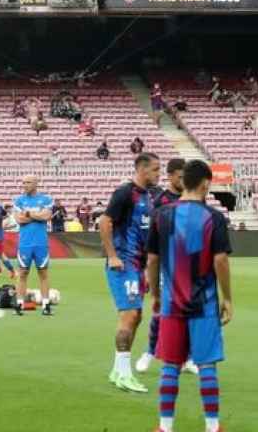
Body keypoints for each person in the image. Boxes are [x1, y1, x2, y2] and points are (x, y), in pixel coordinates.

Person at [144, 159, 233, 432]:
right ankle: (212, 426)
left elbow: (152, 260)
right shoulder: (213, 217)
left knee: (170, 365)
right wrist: (227, 298)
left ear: (183, 181)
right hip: (203, 304)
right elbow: (220, 260)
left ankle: (165, 427)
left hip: (172, 302)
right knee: (206, 365)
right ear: (206, 183)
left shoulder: (162, 215)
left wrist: (157, 294)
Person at [99, 152, 161, 393]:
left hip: (138, 266)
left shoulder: (151, 196)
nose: (158, 174)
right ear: (142, 170)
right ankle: (124, 373)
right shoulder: (125, 193)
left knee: (137, 316)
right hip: (123, 264)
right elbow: (105, 222)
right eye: (155, 169)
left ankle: (118, 370)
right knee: (129, 316)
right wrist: (112, 255)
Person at [136, 157, 190, 374]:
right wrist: (149, 270)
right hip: (165, 264)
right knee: (160, 310)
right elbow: (152, 238)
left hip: (189, 264)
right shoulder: (159, 201)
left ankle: (187, 358)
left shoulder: (194, 199)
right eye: (180, 176)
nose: (184, 180)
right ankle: (150, 352)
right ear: (170, 176)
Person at [13, 175, 57, 316]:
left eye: (28, 182)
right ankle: (19, 304)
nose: (25, 185)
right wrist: (36, 214)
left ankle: (46, 304)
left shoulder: (46, 199)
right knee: (22, 273)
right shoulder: (19, 200)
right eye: (23, 182)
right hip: (25, 243)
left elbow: (46, 217)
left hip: (41, 243)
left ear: (36, 184)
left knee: (43, 273)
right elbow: (19, 219)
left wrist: (28, 213)